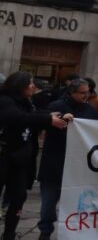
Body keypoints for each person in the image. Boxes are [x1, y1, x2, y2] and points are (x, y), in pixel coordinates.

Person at [0, 73, 70, 240]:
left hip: (21, 160)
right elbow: (17, 117)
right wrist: (47, 118)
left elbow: (36, 115)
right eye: (29, 84)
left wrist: (57, 116)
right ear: (19, 85)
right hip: (4, 157)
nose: (33, 86)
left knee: (19, 197)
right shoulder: (5, 101)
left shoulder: (28, 103)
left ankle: (9, 233)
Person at [38, 78, 97, 240]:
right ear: (72, 92)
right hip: (54, 162)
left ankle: (72, 232)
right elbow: (43, 123)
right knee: (48, 203)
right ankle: (45, 231)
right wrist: (60, 120)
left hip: (78, 166)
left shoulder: (91, 110)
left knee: (75, 203)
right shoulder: (56, 106)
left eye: (88, 92)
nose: (87, 95)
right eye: (83, 93)